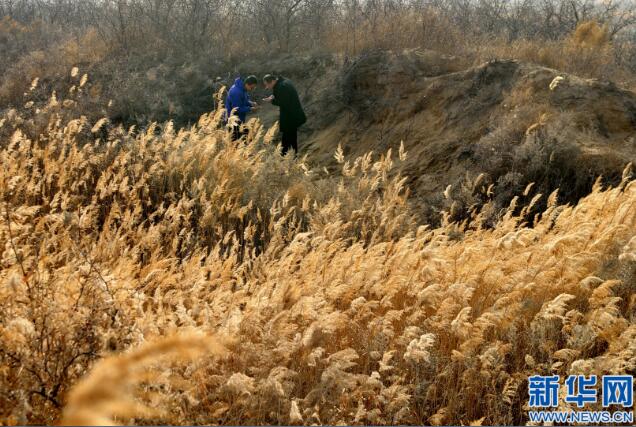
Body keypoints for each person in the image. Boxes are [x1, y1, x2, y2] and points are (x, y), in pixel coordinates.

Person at [262, 74, 306, 156]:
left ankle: (288, 157)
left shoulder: (282, 86)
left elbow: (283, 102)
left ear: (272, 81)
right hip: (292, 115)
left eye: (267, 85)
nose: (267, 87)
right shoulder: (284, 82)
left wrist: (272, 100)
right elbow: (284, 97)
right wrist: (274, 96)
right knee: (289, 137)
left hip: (290, 116)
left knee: (289, 138)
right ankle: (288, 156)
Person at [225, 75, 259, 140]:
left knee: (246, 138)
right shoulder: (236, 92)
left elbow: (244, 100)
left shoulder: (243, 89)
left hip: (239, 118)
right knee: (237, 142)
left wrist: (251, 103)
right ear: (247, 84)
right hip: (233, 121)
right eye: (251, 88)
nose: (251, 90)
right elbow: (237, 109)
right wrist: (250, 108)